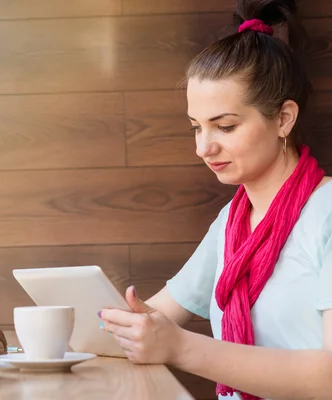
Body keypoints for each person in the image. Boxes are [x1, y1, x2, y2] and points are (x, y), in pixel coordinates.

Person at [98, 1, 332, 399]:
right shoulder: (233, 221)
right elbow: (155, 317)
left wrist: (181, 347)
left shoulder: (326, 213)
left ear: (283, 119)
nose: (204, 148)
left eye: (224, 126)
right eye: (196, 128)